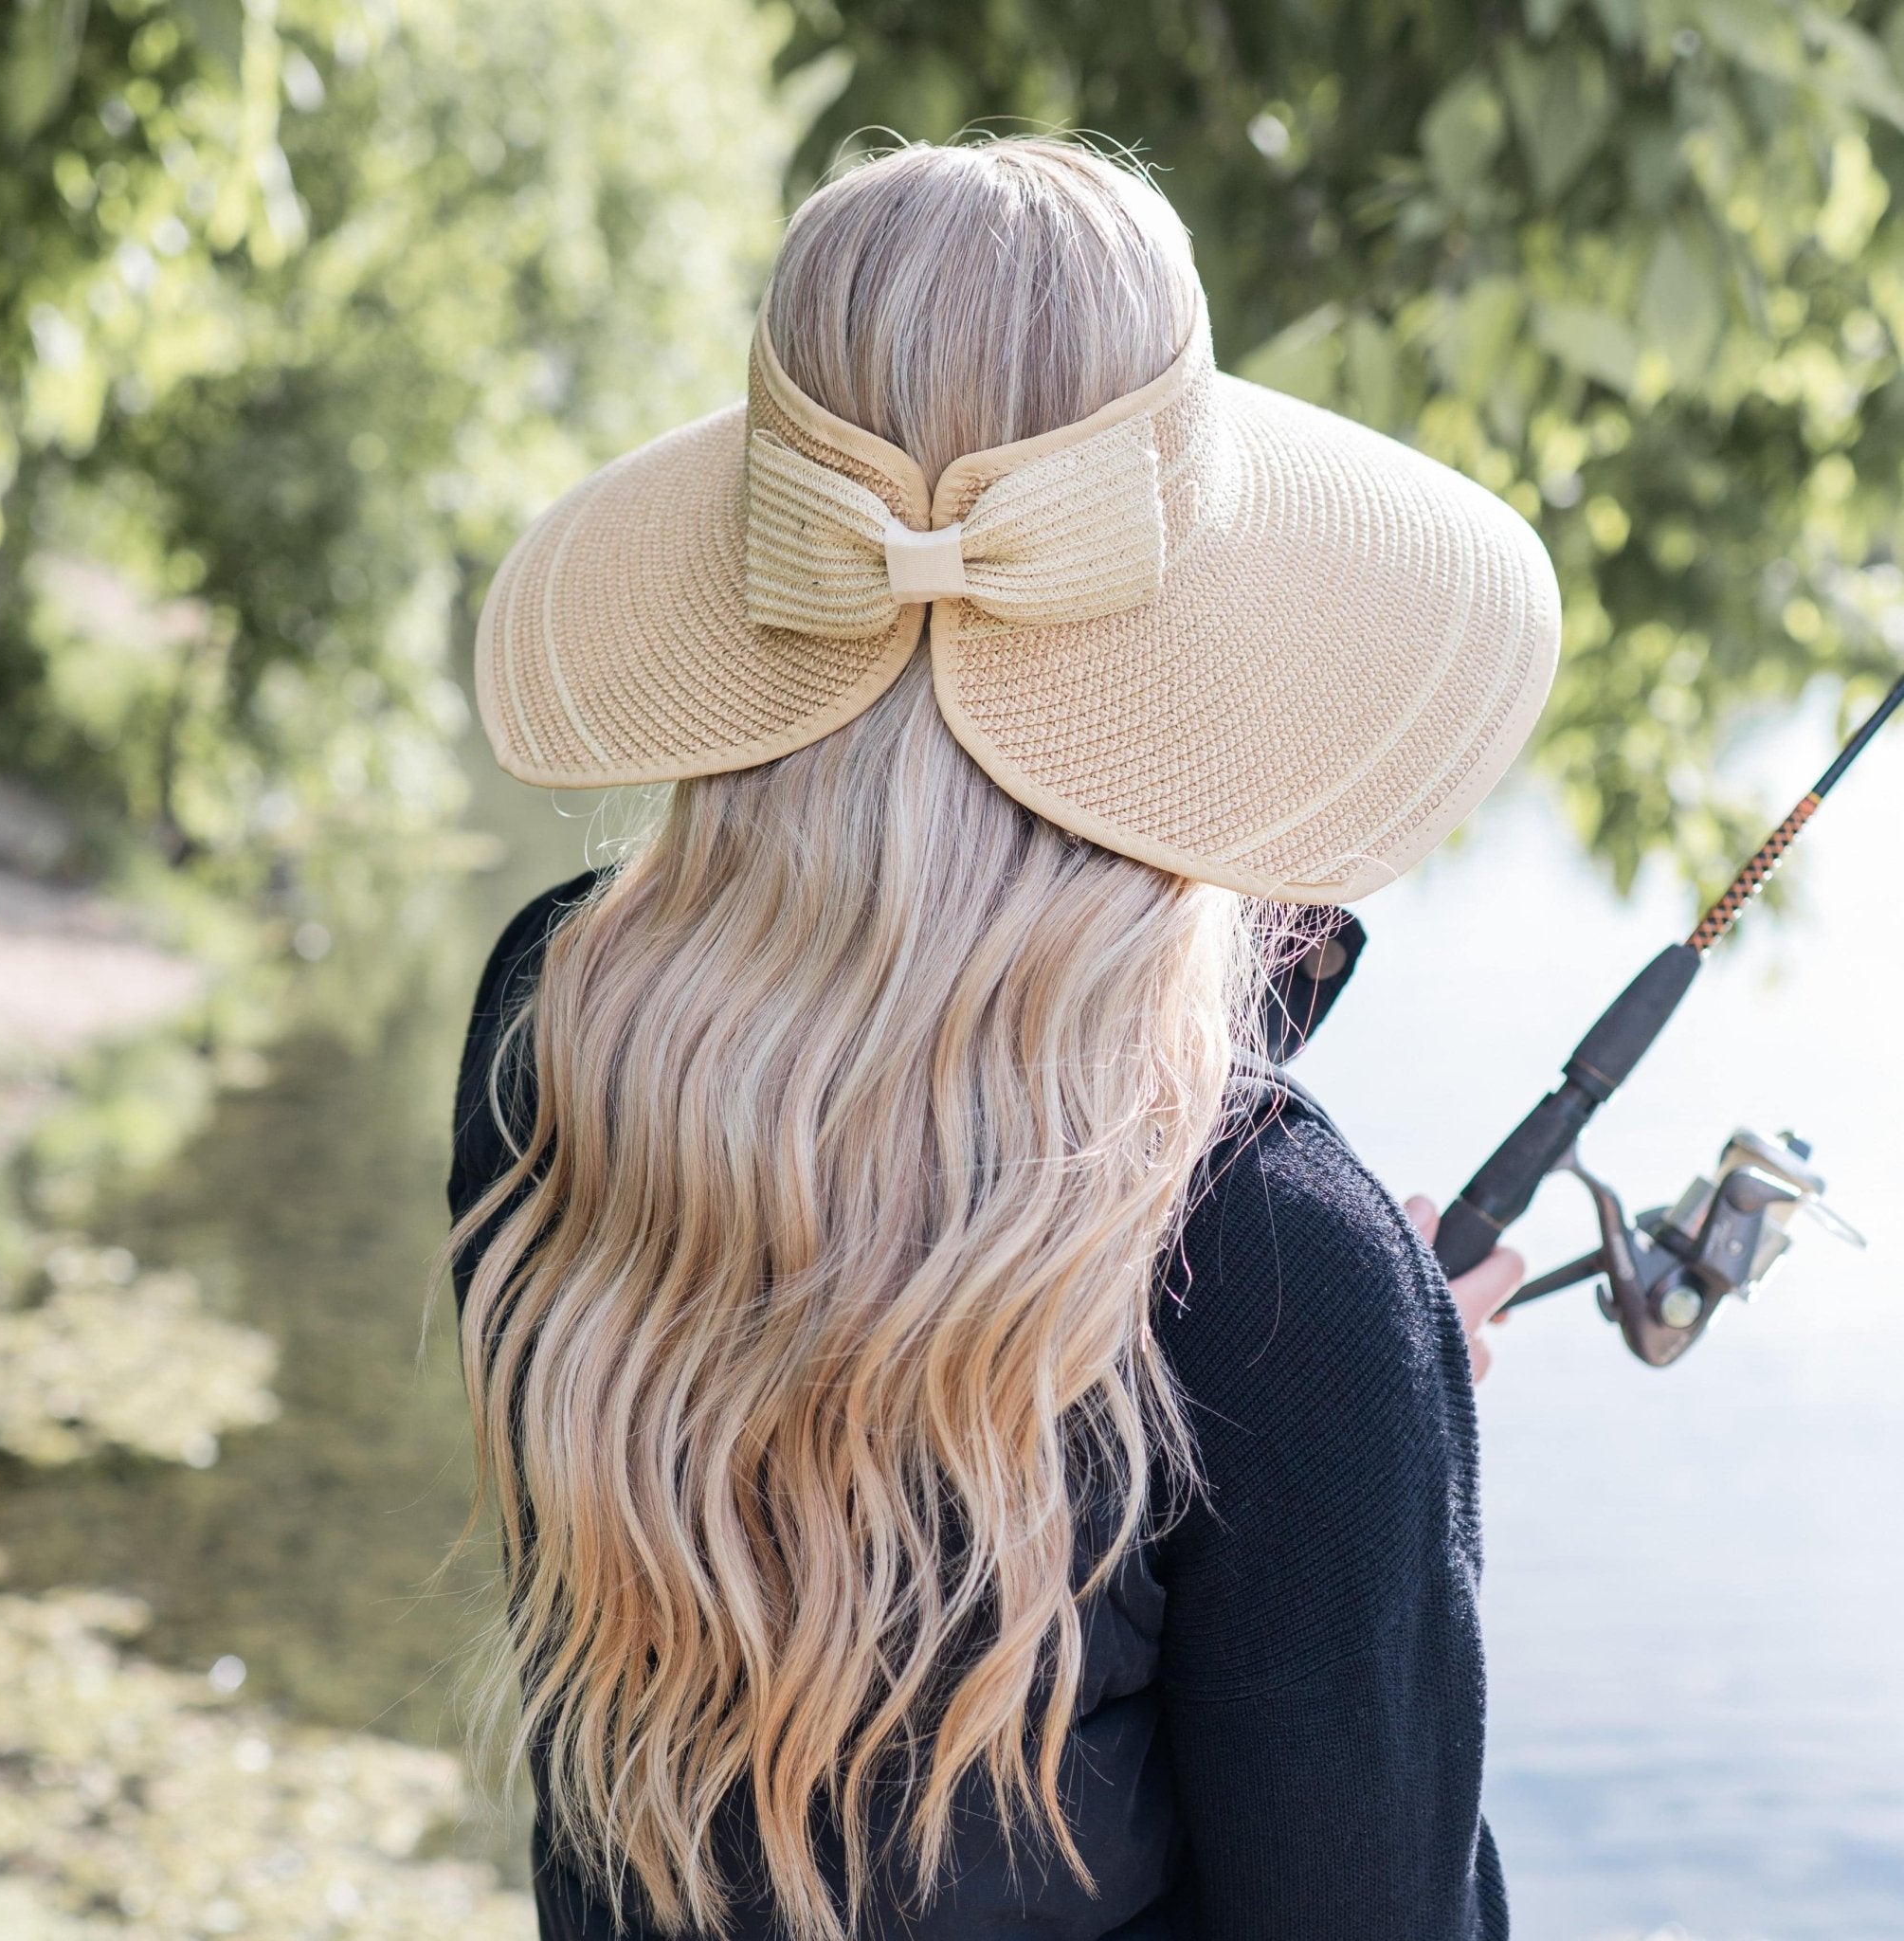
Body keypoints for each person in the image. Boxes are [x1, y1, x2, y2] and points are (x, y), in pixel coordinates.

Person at [448, 136, 1550, 1941]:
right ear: (1191, 618)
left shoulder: (550, 1032)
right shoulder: (1283, 1270)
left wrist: (1344, 1387)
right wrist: (1363, 1407)